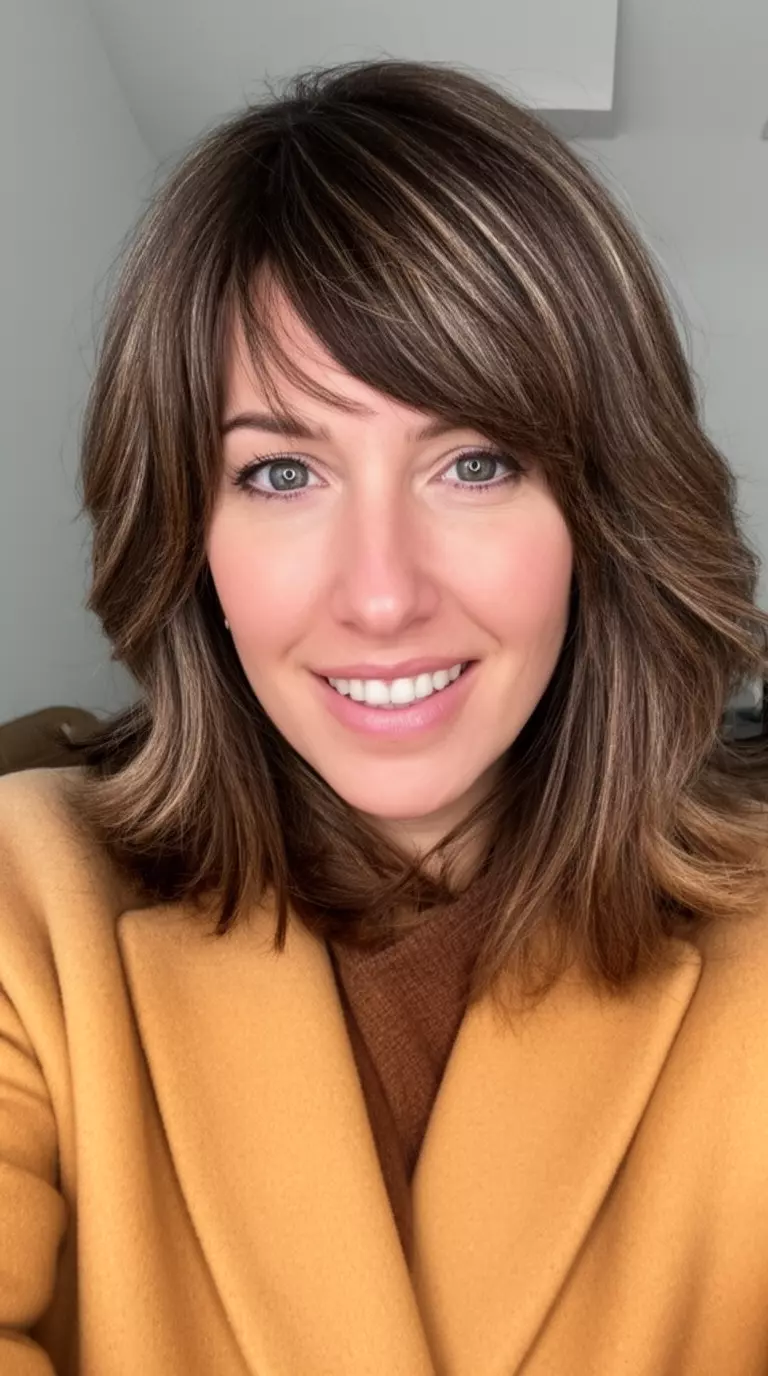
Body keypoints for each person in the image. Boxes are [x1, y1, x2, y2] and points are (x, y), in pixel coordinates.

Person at [2, 57, 768, 1376]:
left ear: (604, 514)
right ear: (189, 534)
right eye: (282, 470)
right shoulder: (24, 901)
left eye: (477, 461)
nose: (379, 594)